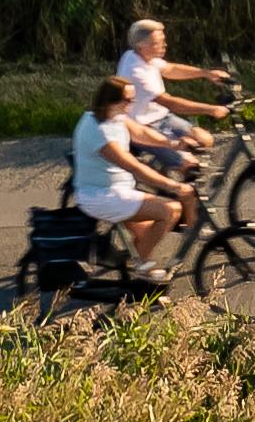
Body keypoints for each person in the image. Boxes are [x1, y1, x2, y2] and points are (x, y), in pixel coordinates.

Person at [66, 76, 184, 279]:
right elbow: (133, 166)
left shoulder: (115, 115)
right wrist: (172, 185)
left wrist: (173, 144)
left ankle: (133, 264)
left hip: (120, 191)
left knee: (146, 234)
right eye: (128, 100)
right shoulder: (98, 131)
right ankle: (142, 269)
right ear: (111, 100)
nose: (133, 104)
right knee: (171, 210)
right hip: (102, 196)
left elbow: (141, 133)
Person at [109, 17, 235, 168]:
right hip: (142, 126)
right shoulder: (136, 71)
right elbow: (171, 103)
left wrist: (207, 73)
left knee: (205, 140)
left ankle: (162, 167)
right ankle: (165, 184)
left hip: (162, 117)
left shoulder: (140, 55)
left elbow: (170, 69)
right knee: (190, 165)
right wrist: (211, 109)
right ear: (142, 45)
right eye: (158, 42)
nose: (165, 45)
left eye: (164, 40)